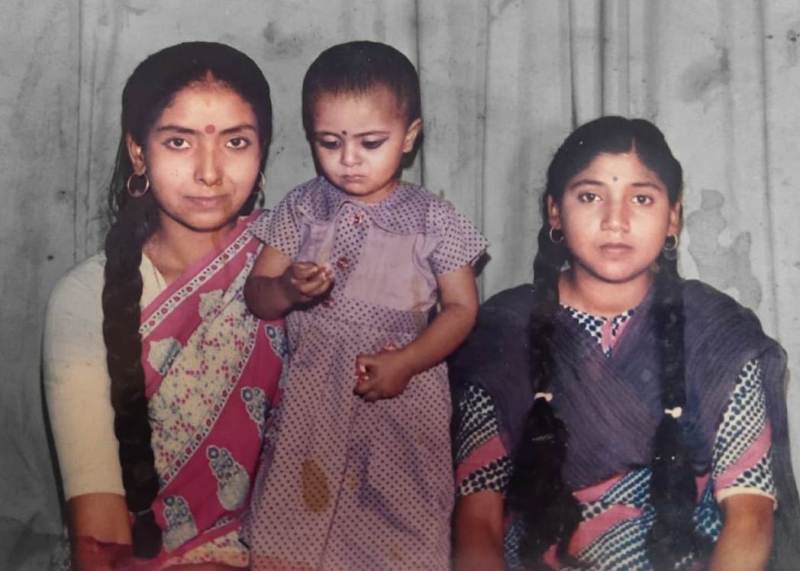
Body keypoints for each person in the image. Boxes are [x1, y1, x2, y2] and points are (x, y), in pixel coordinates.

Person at [451, 116, 800, 570]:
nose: (616, 221)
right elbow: (478, 517)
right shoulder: (504, 330)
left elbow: (751, 515)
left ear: (673, 215)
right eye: (590, 196)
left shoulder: (718, 334)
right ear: (555, 212)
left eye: (641, 198)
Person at [243, 40, 487, 570]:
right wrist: (287, 289)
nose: (349, 160)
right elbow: (256, 294)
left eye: (371, 142)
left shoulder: (433, 217)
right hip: (313, 401)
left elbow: (463, 309)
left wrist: (407, 362)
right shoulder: (303, 205)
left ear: (409, 137)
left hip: (403, 402)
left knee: (398, 528)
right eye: (329, 142)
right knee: (294, 532)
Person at [44, 42, 283, 570]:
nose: (210, 172)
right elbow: (100, 543)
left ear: (262, 149)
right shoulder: (85, 298)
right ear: (138, 152)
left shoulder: (295, 272)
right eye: (179, 142)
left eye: (236, 142)